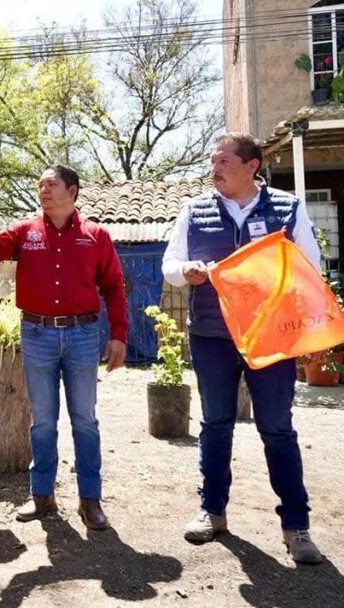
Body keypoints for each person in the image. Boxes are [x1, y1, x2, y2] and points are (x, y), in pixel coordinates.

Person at [161, 133, 323, 564]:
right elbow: (170, 264)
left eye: (224, 161)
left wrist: (308, 335)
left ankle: (296, 526)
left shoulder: (288, 209)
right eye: (212, 162)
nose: (214, 169)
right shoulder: (194, 211)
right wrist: (187, 271)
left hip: (272, 336)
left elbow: (310, 269)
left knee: (277, 428)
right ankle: (212, 512)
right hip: (212, 335)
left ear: (252, 166)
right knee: (215, 424)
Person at [0, 164, 128, 530]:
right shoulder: (24, 231)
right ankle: (42, 497)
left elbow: (113, 287)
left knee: (85, 421)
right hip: (37, 334)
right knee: (43, 421)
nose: (44, 190)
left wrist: (119, 335)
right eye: (40, 185)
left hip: (83, 335)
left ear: (73, 191)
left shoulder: (96, 235)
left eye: (51, 184)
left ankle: (90, 501)